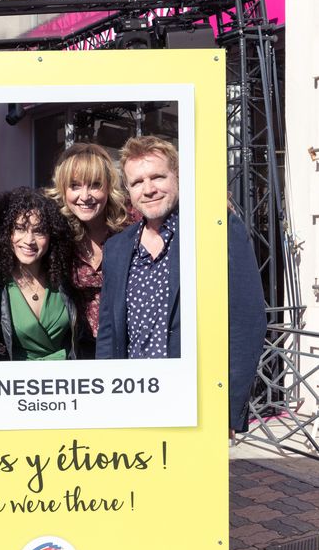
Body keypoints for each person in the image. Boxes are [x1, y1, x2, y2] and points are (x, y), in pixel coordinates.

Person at [96, 135, 267, 431]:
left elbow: (246, 322)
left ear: (177, 177)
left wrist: (227, 409)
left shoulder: (216, 229)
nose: (148, 189)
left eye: (157, 177)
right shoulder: (117, 248)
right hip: (132, 406)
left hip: (195, 406)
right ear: (128, 190)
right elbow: (109, 335)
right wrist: (106, 402)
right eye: (137, 182)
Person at [0, 187, 77, 361]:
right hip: (14, 377)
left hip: (66, 375)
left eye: (39, 231)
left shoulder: (66, 278)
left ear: (52, 235)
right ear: (5, 232)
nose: (29, 240)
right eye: (20, 228)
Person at [46, 143, 128, 356]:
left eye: (95, 185)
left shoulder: (131, 227)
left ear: (108, 186)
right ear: (63, 189)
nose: (85, 196)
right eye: (75, 186)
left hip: (127, 344)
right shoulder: (57, 232)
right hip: (81, 348)